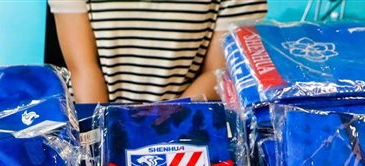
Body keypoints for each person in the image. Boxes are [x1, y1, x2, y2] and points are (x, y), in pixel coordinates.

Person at [49, 0, 266, 104]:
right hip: (93, 116)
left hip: (185, 122)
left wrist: (165, 124)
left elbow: (217, 72)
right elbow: (83, 68)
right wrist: (101, 136)